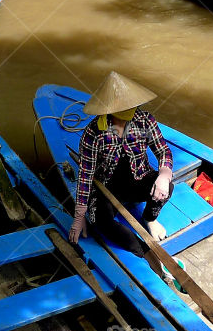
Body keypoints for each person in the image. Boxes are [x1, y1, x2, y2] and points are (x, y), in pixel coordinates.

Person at [68, 71, 174, 256]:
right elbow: (86, 176)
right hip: (107, 188)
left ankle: (150, 219)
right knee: (101, 221)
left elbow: (163, 151)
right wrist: (79, 215)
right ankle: (142, 252)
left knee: (168, 188)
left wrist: (164, 175)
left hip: (139, 179)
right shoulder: (93, 133)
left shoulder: (145, 121)